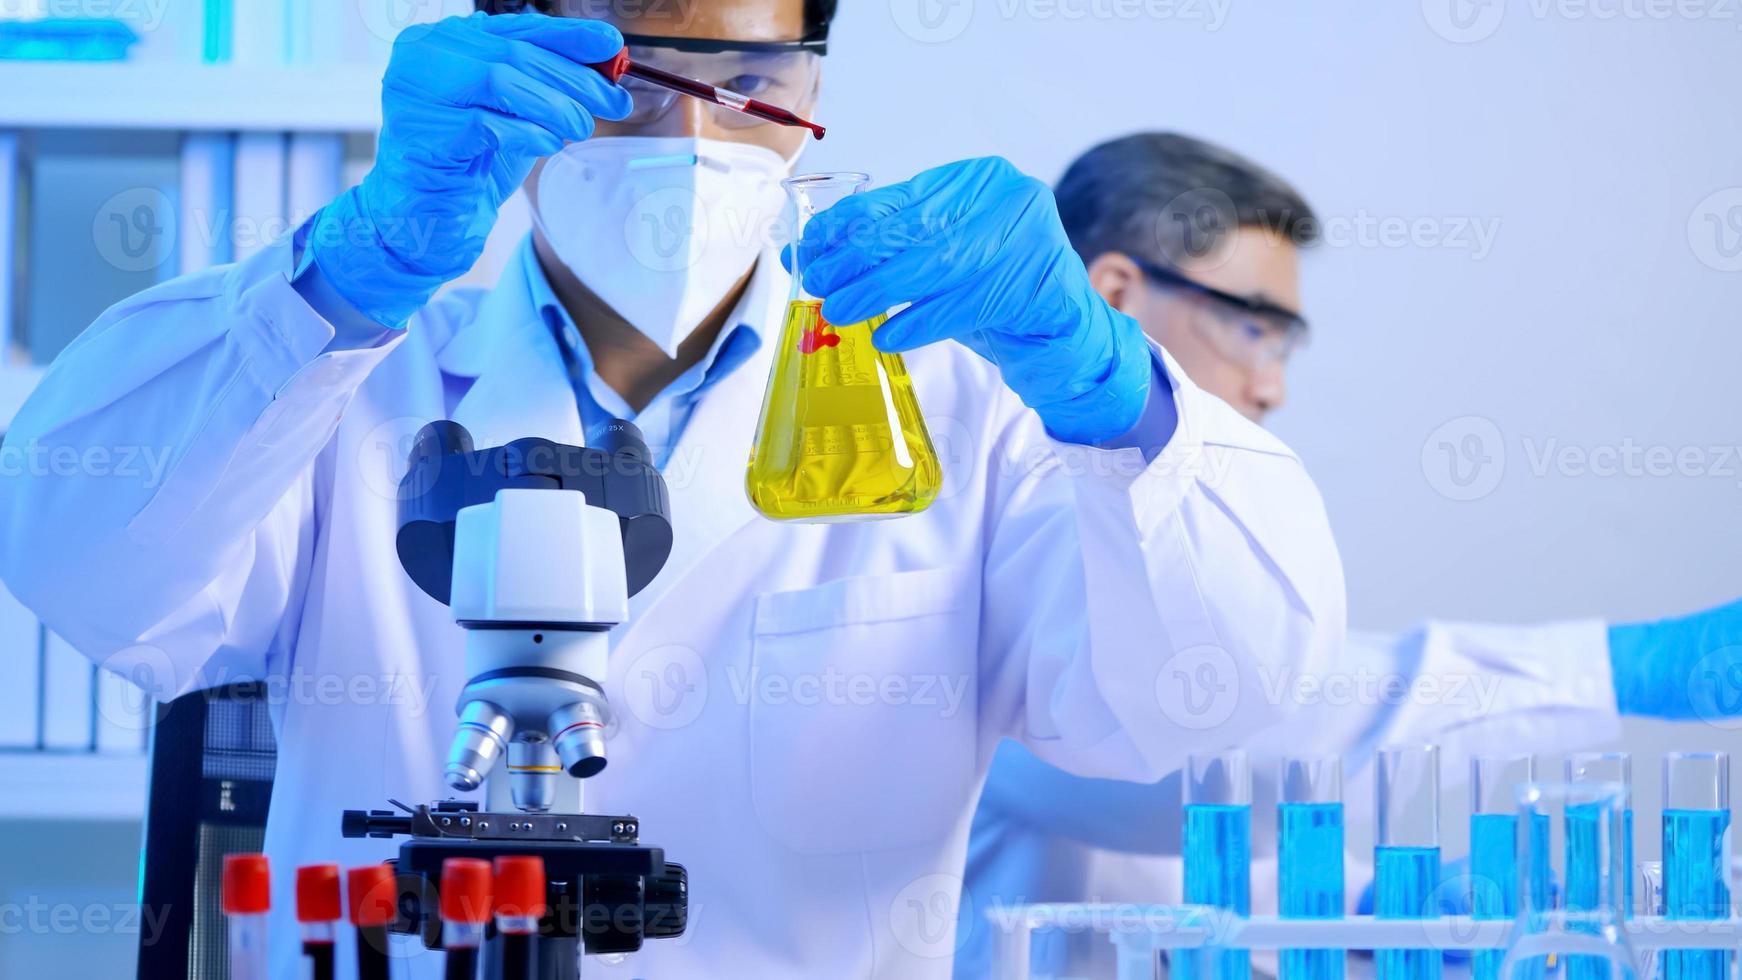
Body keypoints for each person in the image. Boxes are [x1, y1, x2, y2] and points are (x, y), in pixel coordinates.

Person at [0, 7, 1351, 979]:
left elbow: (1203, 709)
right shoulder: (347, 365)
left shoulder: (957, 407)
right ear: (510, 71)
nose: (694, 135)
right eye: (628, 78)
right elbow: (86, 571)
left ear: (813, 75)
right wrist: (339, 275)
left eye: (754, 79)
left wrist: (1111, 394)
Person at [954, 131, 1742, 978]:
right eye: (1254, 328)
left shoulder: (1179, 550)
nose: (1273, 386)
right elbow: (1221, 749)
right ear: (1114, 293)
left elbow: (1189, 861)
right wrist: (1619, 669)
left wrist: (1363, 906)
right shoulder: (989, 512)